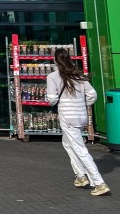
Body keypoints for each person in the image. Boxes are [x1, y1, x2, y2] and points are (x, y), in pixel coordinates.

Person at [45, 48, 110, 197]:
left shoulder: (53, 77)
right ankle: (80, 176)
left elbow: (52, 99)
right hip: (81, 116)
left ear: (55, 60)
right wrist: (83, 104)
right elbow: (93, 95)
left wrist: (53, 101)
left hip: (67, 117)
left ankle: (99, 182)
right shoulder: (78, 76)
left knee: (80, 149)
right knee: (67, 144)